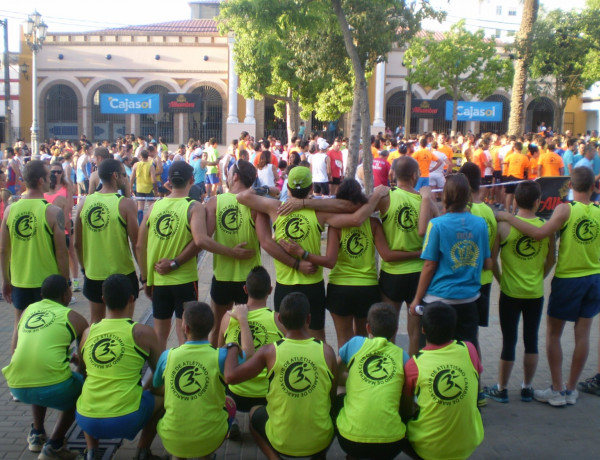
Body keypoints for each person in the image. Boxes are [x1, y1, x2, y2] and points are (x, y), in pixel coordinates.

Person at [237, 166, 390, 341]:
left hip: (285, 284)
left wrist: (267, 189)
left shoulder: (275, 208)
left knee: (284, 338)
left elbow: (242, 196)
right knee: (317, 338)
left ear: (287, 188)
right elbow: (354, 212)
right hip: (313, 285)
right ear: (311, 188)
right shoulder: (320, 213)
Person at [496, 166, 600, 406]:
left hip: (569, 278)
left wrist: (508, 217)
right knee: (583, 334)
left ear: (570, 186)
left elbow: (540, 233)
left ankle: (557, 388)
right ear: (593, 187)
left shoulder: (565, 209)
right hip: (594, 277)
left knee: (554, 334)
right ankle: (571, 389)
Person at [279, 178, 415, 347]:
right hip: (368, 288)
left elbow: (329, 261)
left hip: (340, 289)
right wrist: (418, 253)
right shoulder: (373, 223)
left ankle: (342, 373)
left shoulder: (336, 226)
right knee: (363, 340)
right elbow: (387, 255)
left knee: (344, 343)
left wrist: (304, 254)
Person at [138, 161, 253, 349]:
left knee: (160, 336)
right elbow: (200, 240)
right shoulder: (194, 207)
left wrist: (145, 278)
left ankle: (162, 376)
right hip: (184, 280)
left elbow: (139, 245)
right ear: (192, 179)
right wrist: (232, 252)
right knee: (186, 335)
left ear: (169, 181)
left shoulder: (154, 207)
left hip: (158, 280)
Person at [224, 292, 337, 459]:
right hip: (320, 440)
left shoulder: (270, 351)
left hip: (280, 442)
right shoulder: (327, 351)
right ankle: (319, 455)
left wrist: (233, 345)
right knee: (337, 408)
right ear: (308, 319)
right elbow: (331, 396)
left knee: (254, 412)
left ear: (281, 320)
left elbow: (230, 377)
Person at [75, 275, 164, 460]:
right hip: (127, 419)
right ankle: (142, 451)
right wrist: (147, 389)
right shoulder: (142, 332)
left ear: (103, 300)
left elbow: (83, 373)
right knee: (163, 398)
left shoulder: (87, 333)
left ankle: (92, 452)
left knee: (88, 387)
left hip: (86, 420)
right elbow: (161, 374)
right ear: (132, 299)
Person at [2, 275, 88, 459]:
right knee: (83, 388)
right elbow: (85, 364)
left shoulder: (27, 310)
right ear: (66, 295)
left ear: (42, 295)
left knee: (38, 372)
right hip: (52, 386)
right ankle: (55, 445)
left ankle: (37, 433)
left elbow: (15, 348)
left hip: (16, 384)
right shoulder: (75, 318)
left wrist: (65, 358)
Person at [485, 181, 555, 403]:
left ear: (514, 200)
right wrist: (539, 278)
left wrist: (501, 279)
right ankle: (527, 387)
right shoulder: (546, 228)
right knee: (531, 339)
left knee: (509, 340)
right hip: (535, 292)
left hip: (510, 291)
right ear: (538, 202)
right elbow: (552, 260)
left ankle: (503, 388)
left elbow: (492, 261)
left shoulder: (504, 226)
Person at [409, 174, 492, 351]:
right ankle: (472, 378)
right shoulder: (480, 224)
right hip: (469, 298)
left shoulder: (437, 225)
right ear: (468, 196)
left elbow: (429, 265)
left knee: (434, 351)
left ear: (446, 195)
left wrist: (416, 299)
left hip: (439, 299)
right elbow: (487, 263)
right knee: (469, 350)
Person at [154, 301, 246, 459]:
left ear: (186, 328)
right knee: (229, 402)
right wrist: (234, 343)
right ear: (211, 328)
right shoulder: (221, 356)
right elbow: (247, 356)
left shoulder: (167, 356)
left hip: (171, 440)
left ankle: (177, 455)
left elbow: (156, 387)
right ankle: (205, 454)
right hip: (210, 439)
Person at [0, 160, 71, 353]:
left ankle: (16, 367)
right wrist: (66, 284)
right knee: (49, 326)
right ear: (41, 181)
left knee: (19, 324)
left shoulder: (10, 210)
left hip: (20, 279)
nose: (52, 180)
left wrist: (6, 280)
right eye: (49, 177)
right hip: (47, 282)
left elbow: (4, 250)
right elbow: (62, 254)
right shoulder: (52, 212)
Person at [402, 302, 484, 460]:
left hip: (429, 449)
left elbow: (405, 408)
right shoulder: (469, 349)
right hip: (469, 441)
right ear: (453, 329)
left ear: (423, 330)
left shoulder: (415, 364)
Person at [375, 157, 437, 356]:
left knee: (387, 328)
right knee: (415, 332)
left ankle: (389, 369)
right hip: (419, 274)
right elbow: (440, 223)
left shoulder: (386, 198)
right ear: (415, 176)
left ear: (392, 174)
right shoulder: (425, 200)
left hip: (392, 274)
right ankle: (412, 371)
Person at [336, 303, 408, 460]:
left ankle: (353, 456)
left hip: (349, 441)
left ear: (368, 328)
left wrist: (351, 379)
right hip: (392, 444)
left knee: (339, 392)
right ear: (396, 330)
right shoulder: (402, 356)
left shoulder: (355, 344)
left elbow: (334, 372)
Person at [218, 266, 284, 437]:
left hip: (235, 391)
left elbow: (219, 356)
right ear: (270, 290)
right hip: (266, 394)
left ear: (245, 289)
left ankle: (231, 416)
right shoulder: (278, 320)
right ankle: (262, 415)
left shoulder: (228, 317)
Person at [75, 159, 139, 324]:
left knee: (96, 322)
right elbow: (136, 244)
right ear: (115, 175)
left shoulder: (84, 203)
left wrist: (84, 267)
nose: (126, 179)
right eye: (124, 175)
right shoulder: (125, 204)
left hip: (94, 272)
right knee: (124, 323)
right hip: (122, 273)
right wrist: (145, 274)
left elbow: (77, 243)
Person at [205, 159, 260, 345]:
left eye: (228, 173)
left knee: (217, 328)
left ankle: (216, 368)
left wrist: (229, 251)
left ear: (235, 176)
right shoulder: (257, 204)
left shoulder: (215, 202)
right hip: (250, 278)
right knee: (251, 328)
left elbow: (204, 240)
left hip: (223, 275)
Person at [45, 162, 79, 292]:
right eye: (54, 172)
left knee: (71, 251)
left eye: (59, 171)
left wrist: (67, 224)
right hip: (50, 223)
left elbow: (69, 205)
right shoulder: (47, 187)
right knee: (57, 253)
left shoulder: (66, 186)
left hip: (66, 221)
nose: (56, 174)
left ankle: (75, 280)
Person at [130, 150, 157, 224]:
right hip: (148, 188)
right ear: (147, 157)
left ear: (141, 156)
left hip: (139, 188)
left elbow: (132, 177)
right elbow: (154, 180)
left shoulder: (136, 165)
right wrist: (156, 189)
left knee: (140, 208)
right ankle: (150, 222)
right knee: (151, 207)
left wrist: (131, 187)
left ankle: (140, 224)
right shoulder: (150, 166)